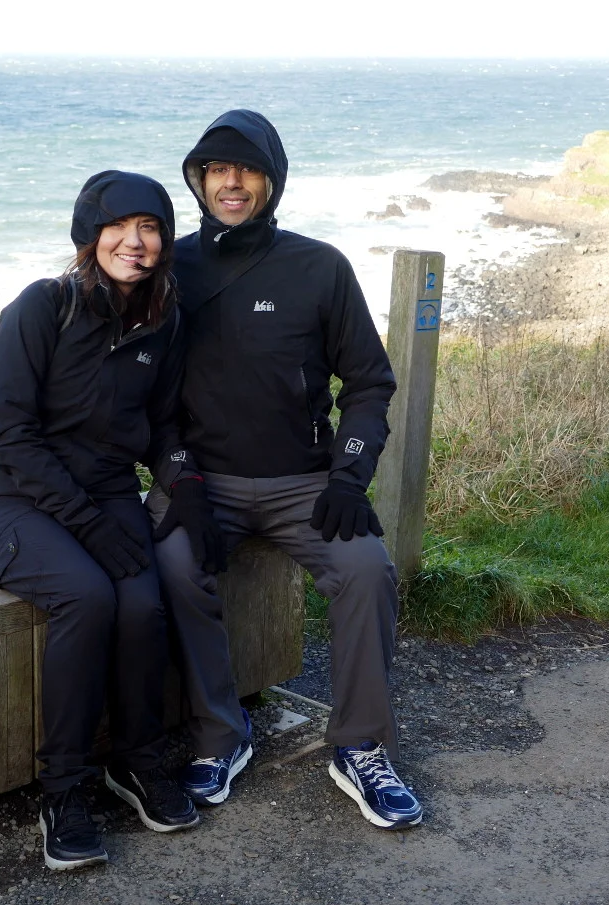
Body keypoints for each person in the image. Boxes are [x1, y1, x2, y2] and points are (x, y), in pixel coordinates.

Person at [147, 110, 424, 829]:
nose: (230, 182)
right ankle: (220, 733)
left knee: (367, 569)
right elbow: (146, 393)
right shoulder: (170, 270)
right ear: (198, 180)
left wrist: (346, 476)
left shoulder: (319, 267)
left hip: (305, 482)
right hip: (203, 481)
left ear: (272, 181)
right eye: (215, 169)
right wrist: (178, 477)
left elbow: (368, 382)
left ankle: (360, 744)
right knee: (173, 564)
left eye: (246, 169)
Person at [0, 170, 209, 871]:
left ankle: (135, 761)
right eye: (121, 226)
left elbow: (163, 424)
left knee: (141, 605)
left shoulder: (164, 320)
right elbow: (7, 437)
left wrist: (183, 482)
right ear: (90, 234)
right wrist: (86, 523)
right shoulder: (40, 309)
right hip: (13, 501)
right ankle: (63, 789)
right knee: (88, 594)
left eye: (153, 228)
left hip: (106, 496)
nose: (136, 242)